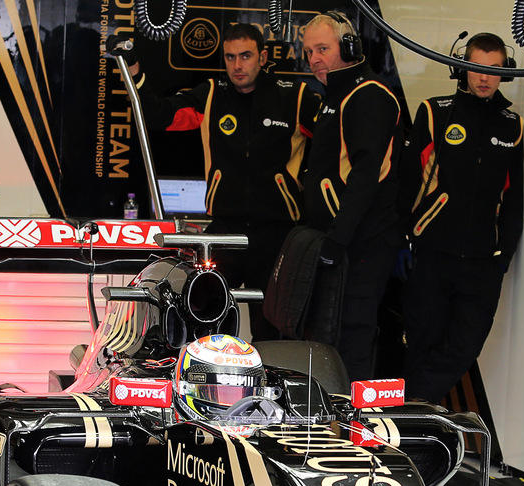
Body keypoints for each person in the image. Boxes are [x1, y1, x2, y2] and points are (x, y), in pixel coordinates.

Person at [112, 24, 319, 340]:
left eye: (246, 56)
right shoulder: (210, 94)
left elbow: (333, 148)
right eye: (231, 57)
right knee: (201, 313)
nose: (238, 65)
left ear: (262, 57)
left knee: (274, 327)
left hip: (277, 235)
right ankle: (201, 380)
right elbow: (158, 114)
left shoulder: (295, 97)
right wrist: (134, 69)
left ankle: (275, 387)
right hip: (224, 232)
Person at [400, 32, 524, 403]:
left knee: (464, 348)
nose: (484, 77)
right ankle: (412, 431)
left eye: (494, 70)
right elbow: (406, 183)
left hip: (483, 264)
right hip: (431, 257)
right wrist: (405, 239)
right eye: (475, 68)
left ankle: (407, 407)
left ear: (505, 73)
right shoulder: (433, 111)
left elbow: (515, 196)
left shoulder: (512, 125)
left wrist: (505, 255)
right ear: (461, 69)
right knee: (422, 344)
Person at [300, 11, 405, 381]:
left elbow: (365, 177)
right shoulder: (336, 95)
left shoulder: (369, 95)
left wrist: (337, 240)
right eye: (309, 50)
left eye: (323, 48)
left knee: (353, 335)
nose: (314, 59)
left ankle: (353, 428)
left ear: (348, 47)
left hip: (362, 245)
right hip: (339, 244)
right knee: (329, 336)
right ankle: (331, 420)